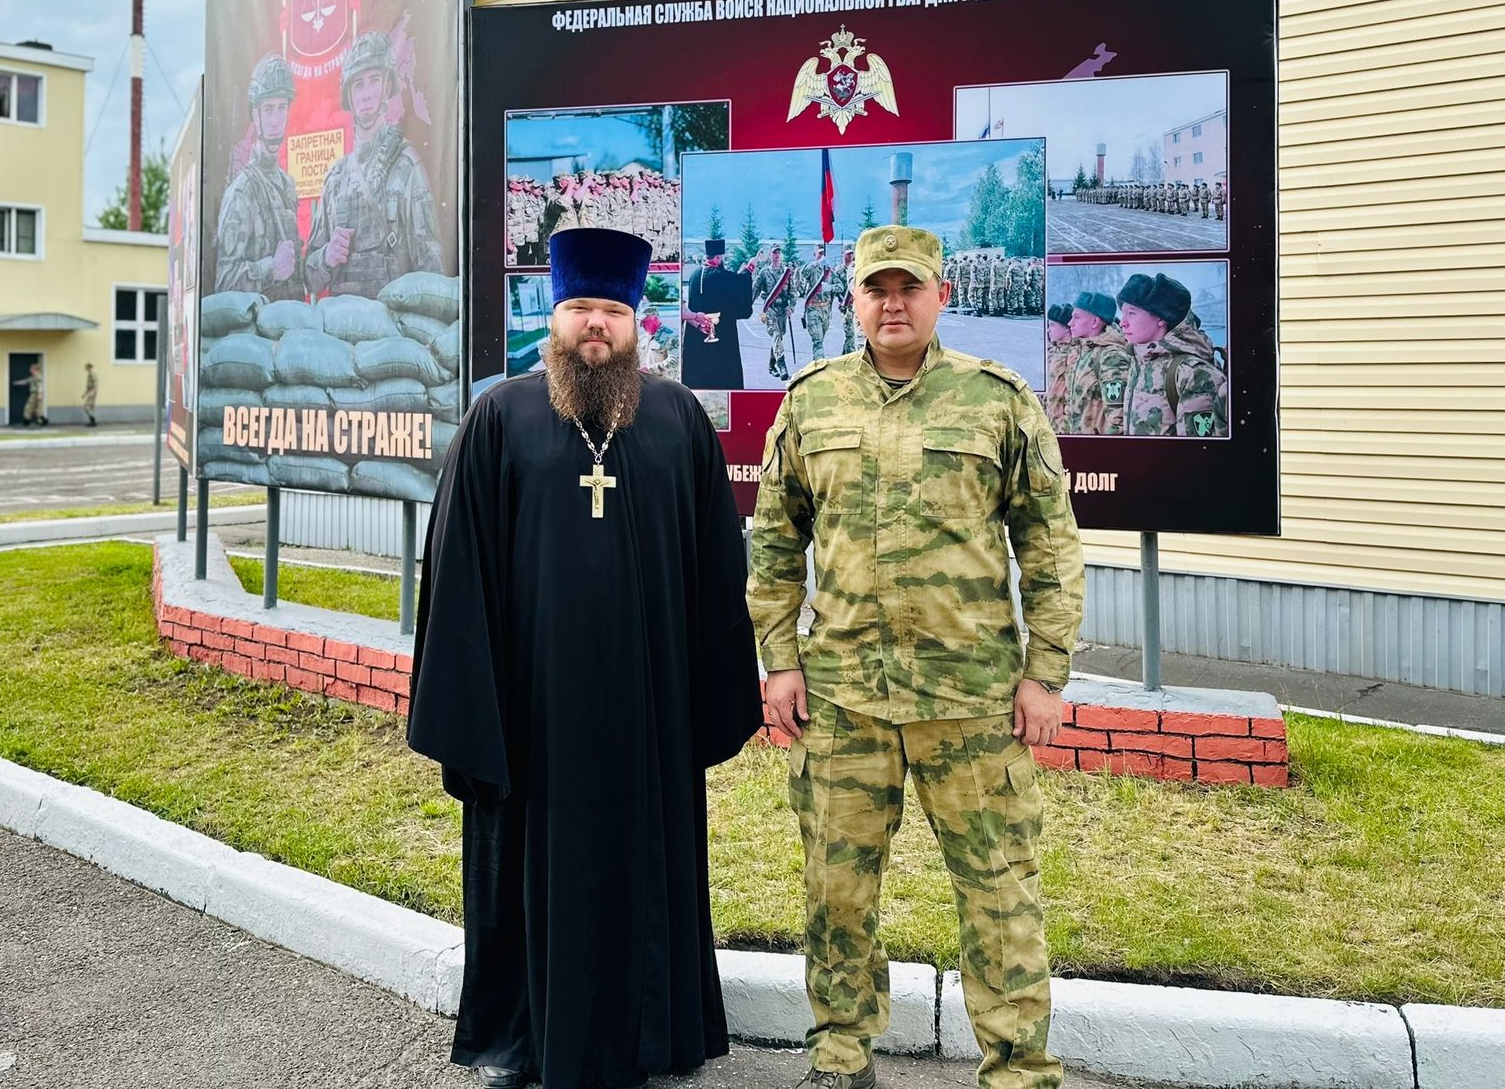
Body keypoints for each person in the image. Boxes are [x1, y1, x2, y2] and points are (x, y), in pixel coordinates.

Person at [409, 226, 762, 1089]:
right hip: (536, 714)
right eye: (577, 310)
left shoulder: (679, 419)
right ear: (553, 320)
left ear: (638, 321)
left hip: (651, 707)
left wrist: (713, 692)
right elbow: (456, 571)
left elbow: (720, 568)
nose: (593, 326)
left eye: (610, 310)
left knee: (648, 864)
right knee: (532, 870)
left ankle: (655, 1034)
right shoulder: (499, 416)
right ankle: (528, 1040)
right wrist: (472, 710)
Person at [749, 225, 1085, 1089]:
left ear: (942, 294)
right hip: (845, 697)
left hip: (969, 701)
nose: (892, 303)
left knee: (999, 890)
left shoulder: (997, 400)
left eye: (910, 287)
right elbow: (775, 542)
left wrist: (1045, 673)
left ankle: (1019, 1068)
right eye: (876, 289)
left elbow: (1049, 546)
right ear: (854, 299)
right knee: (837, 890)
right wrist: (779, 661)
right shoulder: (811, 403)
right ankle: (840, 1053)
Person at [303, 31, 443, 298]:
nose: (366, 94)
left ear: (386, 88)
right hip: (341, 331)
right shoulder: (335, 179)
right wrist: (326, 256)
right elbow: (309, 278)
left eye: (374, 81)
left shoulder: (406, 166)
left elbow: (431, 268)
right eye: (358, 85)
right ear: (349, 95)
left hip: (395, 331)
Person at [213, 54, 304, 300]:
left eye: (281, 108)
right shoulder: (242, 191)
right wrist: (271, 268)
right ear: (256, 115)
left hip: (291, 326)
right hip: (257, 334)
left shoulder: (286, 185)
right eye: (268, 109)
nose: (275, 120)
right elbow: (224, 281)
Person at [1117, 273, 1226, 438]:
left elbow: (1197, 454)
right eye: (1123, 313)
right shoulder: (1140, 361)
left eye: (1131, 313)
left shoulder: (1194, 374)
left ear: (1161, 318)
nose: (1122, 322)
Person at [683, 237, 754, 389]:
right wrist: (749, 270)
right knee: (722, 379)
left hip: (697, 337)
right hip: (721, 342)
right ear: (718, 257)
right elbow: (740, 290)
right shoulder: (722, 277)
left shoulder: (694, 275)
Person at [1061, 291, 1134, 435]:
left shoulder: (1111, 357)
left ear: (1094, 322)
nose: (1070, 323)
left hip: (1098, 451)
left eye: (1076, 317)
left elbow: (1117, 420)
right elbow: (1070, 407)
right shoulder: (1082, 352)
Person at [754, 245, 795, 381]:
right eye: (774, 252)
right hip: (769, 310)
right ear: (770, 255)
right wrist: (745, 305)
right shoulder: (764, 273)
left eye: (778, 252)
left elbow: (793, 292)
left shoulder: (786, 273)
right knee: (776, 334)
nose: (776, 255)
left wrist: (791, 307)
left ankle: (771, 365)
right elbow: (755, 290)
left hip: (782, 310)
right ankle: (782, 365)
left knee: (778, 338)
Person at [1043, 303, 1075, 406]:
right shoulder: (1057, 350)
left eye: (1052, 325)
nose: (1048, 330)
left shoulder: (1074, 354)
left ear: (1066, 328)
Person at [14, 362, 48, 426]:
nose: (30, 370)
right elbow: (27, 381)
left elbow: (40, 385)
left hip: (35, 394)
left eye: (31, 368)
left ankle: (26, 422)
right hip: (35, 394)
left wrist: (40, 394)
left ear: (35, 369)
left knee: (28, 408)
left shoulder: (38, 376)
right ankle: (43, 421)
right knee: (36, 410)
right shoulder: (34, 377)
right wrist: (17, 383)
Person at [81, 362, 99, 427]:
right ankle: (92, 421)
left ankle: (93, 420)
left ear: (89, 367)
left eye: (86, 367)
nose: (85, 368)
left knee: (86, 407)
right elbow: (88, 386)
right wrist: (84, 394)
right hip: (90, 392)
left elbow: (95, 384)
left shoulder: (92, 374)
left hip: (92, 392)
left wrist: (93, 392)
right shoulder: (89, 375)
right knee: (90, 408)